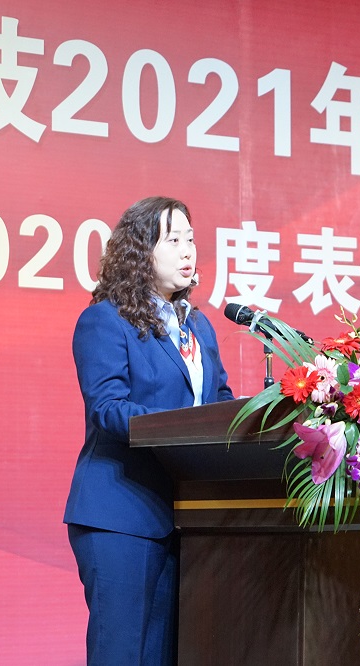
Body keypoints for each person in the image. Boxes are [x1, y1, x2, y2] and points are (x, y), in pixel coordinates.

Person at [64, 196, 235, 665]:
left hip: (188, 518)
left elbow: (218, 403)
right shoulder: (106, 319)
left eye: (191, 240)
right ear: (141, 251)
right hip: (122, 515)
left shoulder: (198, 328)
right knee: (124, 655)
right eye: (173, 240)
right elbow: (107, 408)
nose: (188, 251)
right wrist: (180, 429)